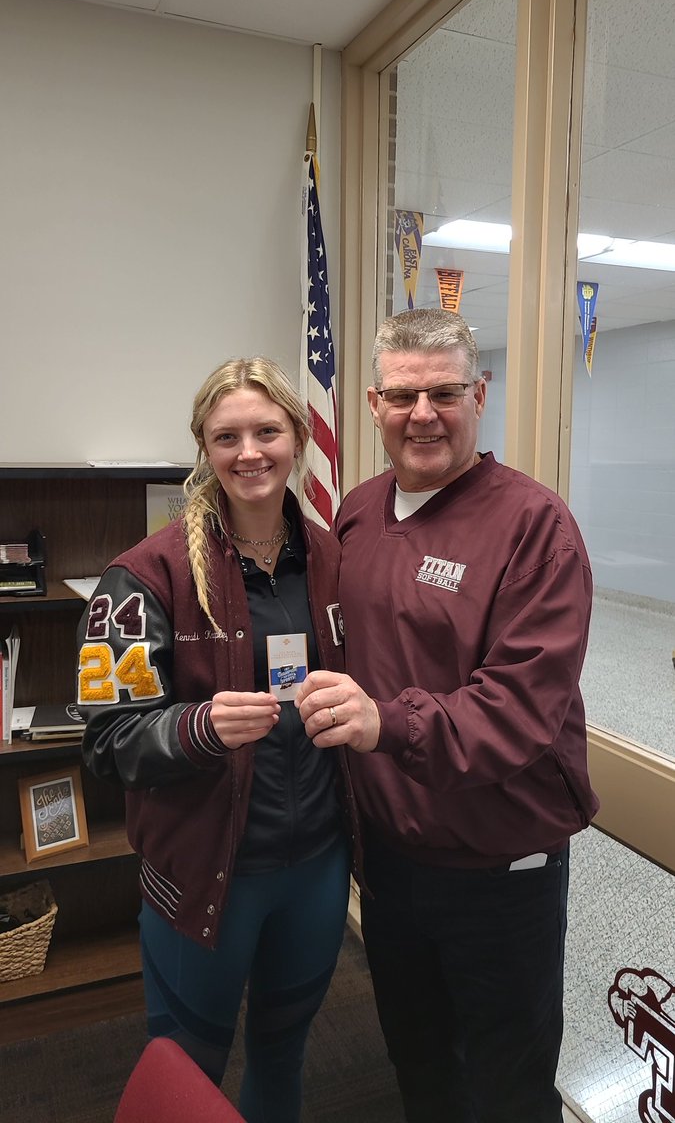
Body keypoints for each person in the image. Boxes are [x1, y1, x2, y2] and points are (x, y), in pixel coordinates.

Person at [296, 309, 599, 1123]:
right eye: (402, 395)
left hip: (498, 870)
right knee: (419, 1065)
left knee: (505, 1086)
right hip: (392, 862)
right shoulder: (356, 513)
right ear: (371, 402)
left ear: (480, 394)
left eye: (444, 392)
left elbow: (518, 711)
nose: (421, 413)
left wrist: (383, 726)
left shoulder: (533, 527)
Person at [77, 357, 360, 1123]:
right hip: (207, 875)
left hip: (315, 866)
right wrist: (197, 727)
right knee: (185, 1072)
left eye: (267, 431)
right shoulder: (142, 575)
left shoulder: (336, 560)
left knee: (284, 1051)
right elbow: (106, 741)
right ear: (203, 446)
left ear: (298, 439)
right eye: (225, 435)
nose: (249, 452)